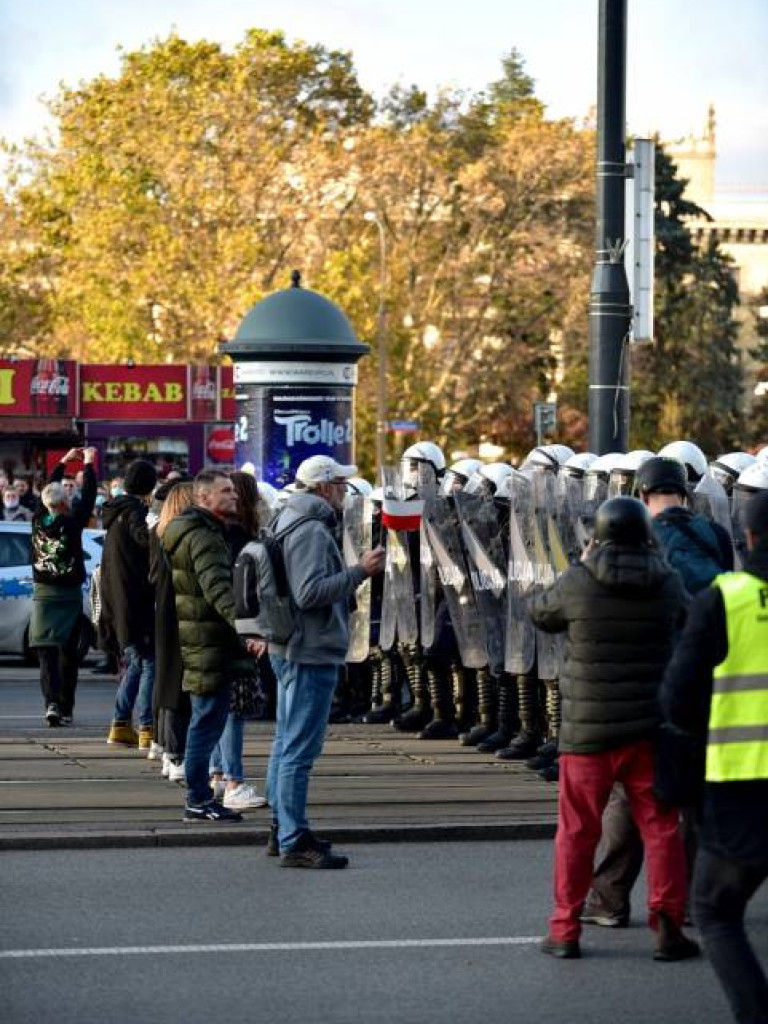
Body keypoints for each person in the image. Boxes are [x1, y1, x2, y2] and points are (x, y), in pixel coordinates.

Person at [528, 496, 698, 961]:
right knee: (662, 827)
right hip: (649, 728)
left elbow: (541, 613)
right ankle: (667, 924)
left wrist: (579, 567)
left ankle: (565, 929)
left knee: (577, 831)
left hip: (588, 731)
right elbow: (686, 619)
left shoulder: (581, 580)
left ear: (598, 535)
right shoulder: (666, 581)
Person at [584, 456, 735, 928]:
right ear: (684, 493)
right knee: (693, 797)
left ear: (643, 496)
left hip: (654, 681)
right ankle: (689, 903)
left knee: (631, 793)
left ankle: (608, 901)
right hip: (709, 683)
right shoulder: (714, 536)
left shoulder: (638, 536)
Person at [661, 489, 768, 1023]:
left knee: (715, 911)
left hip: (739, 786)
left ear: (746, 538)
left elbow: (677, 699)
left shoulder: (727, 598)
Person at [266, 455, 385, 867]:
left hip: (292, 646)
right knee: (299, 748)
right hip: (309, 649)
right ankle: (294, 840)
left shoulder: (287, 517)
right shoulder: (312, 530)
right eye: (340, 484)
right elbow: (310, 593)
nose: (344, 492)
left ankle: (283, 826)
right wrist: (360, 571)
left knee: (286, 742)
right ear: (324, 487)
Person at [162, 469, 254, 822]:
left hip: (202, 641)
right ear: (204, 498)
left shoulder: (194, 531)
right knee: (206, 725)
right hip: (209, 643)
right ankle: (198, 799)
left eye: (233, 490)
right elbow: (218, 590)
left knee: (206, 722)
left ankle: (199, 797)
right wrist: (248, 630)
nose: (234, 496)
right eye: (225, 491)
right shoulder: (204, 537)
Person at [208, 470, 268, 812]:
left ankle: (218, 775)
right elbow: (245, 589)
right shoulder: (241, 537)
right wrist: (252, 629)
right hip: (236, 629)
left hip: (214, 629)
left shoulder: (215, 532)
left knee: (220, 706)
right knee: (233, 709)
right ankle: (233, 780)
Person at [29, 447, 97, 725]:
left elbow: (47, 491)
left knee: (46, 654)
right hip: (68, 594)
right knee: (68, 655)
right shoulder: (72, 523)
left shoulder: (36, 520)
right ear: (65, 502)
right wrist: (89, 464)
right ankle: (66, 707)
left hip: (43, 596)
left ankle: (52, 704)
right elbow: (90, 497)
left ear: (45, 504)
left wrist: (60, 463)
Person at [100, 459, 157, 749]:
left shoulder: (113, 512)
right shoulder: (135, 512)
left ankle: (120, 725)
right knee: (149, 663)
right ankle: (147, 727)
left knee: (136, 662)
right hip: (136, 602)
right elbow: (144, 540)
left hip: (119, 603)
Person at [152, 481, 194, 784]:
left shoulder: (160, 535)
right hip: (180, 616)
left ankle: (169, 751)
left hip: (163, 616)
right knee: (179, 689)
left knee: (167, 686)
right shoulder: (182, 538)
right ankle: (176, 753)